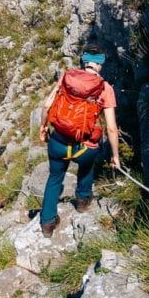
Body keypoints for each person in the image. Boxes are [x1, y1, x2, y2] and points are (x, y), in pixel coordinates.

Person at [38, 44, 121, 237]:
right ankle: (83, 200)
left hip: (58, 141)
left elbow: (47, 105)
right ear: (100, 64)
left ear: (84, 60)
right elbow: (111, 128)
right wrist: (115, 156)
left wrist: (43, 128)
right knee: (87, 165)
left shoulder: (67, 77)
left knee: (54, 178)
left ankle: (47, 223)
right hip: (84, 147)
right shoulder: (105, 88)